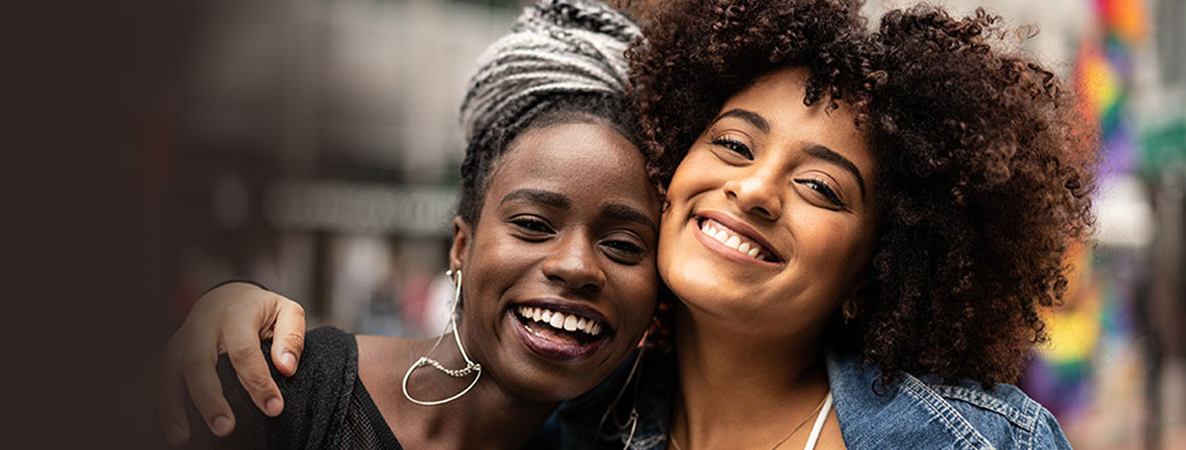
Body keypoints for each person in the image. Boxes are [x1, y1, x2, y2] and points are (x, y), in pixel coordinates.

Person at [162, 0, 1096, 448]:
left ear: (873, 267)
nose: (756, 191)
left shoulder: (973, 440)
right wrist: (232, 313)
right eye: (732, 145)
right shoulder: (575, 428)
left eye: (820, 188)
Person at [162, 1, 668, 448]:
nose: (577, 265)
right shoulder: (269, 391)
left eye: (623, 245)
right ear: (460, 247)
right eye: (534, 224)